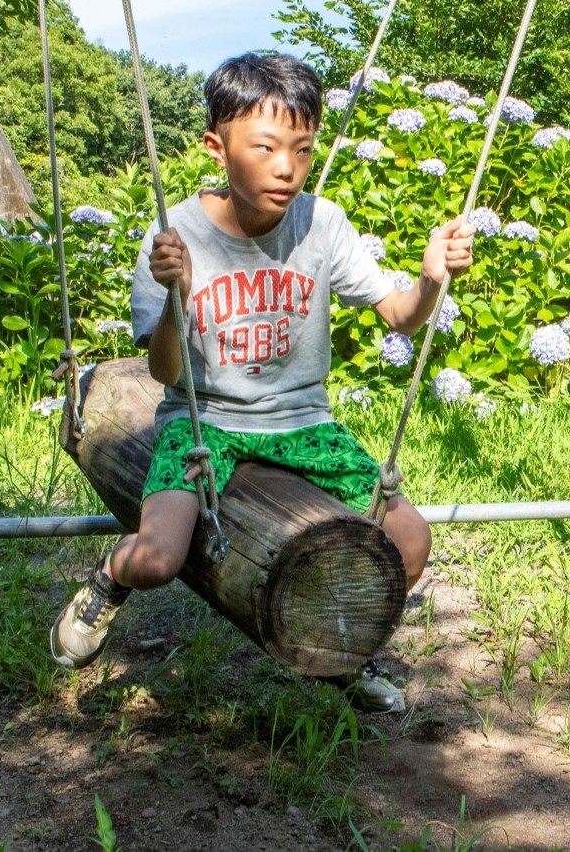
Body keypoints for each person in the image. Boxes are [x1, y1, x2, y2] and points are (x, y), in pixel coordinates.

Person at [50, 53, 473, 711]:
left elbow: (400, 316)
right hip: (205, 419)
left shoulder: (321, 222)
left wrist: (430, 278)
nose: (287, 167)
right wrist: (176, 295)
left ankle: (341, 650)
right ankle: (107, 580)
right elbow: (164, 370)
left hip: (304, 423)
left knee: (412, 542)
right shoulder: (175, 237)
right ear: (217, 146)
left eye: (302, 150)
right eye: (267, 147)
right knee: (160, 556)